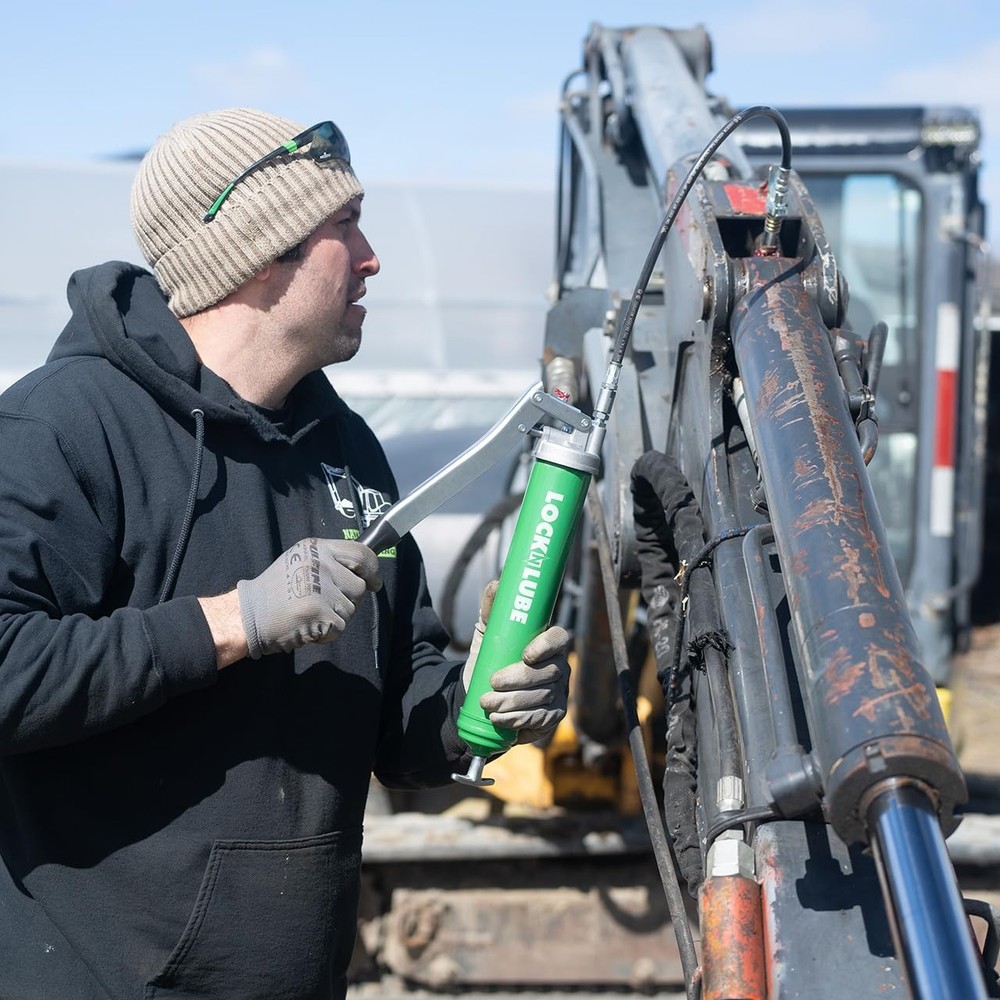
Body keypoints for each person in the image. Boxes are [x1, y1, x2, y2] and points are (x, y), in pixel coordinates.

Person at [0, 108, 571, 1000]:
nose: (373, 256)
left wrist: (480, 711)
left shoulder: (343, 448)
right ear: (263, 253)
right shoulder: (65, 428)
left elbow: (396, 710)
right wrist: (235, 621)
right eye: (345, 227)